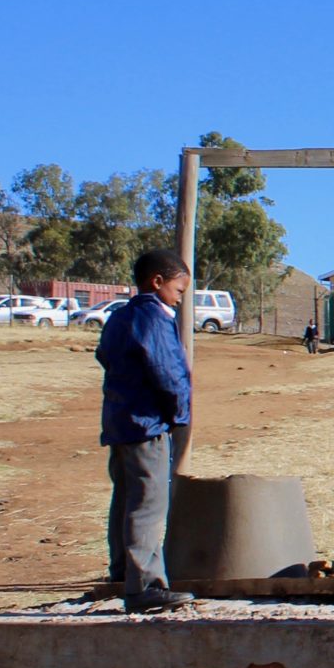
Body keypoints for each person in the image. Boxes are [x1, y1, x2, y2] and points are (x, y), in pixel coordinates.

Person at [95, 248, 196, 612]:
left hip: (120, 422)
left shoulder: (120, 317)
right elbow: (169, 373)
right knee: (149, 504)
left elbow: (104, 356)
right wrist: (179, 415)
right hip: (147, 425)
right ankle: (146, 586)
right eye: (179, 290)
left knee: (124, 499)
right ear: (157, 281)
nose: (180, 298)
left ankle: (122, 573)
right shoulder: (155, 318)